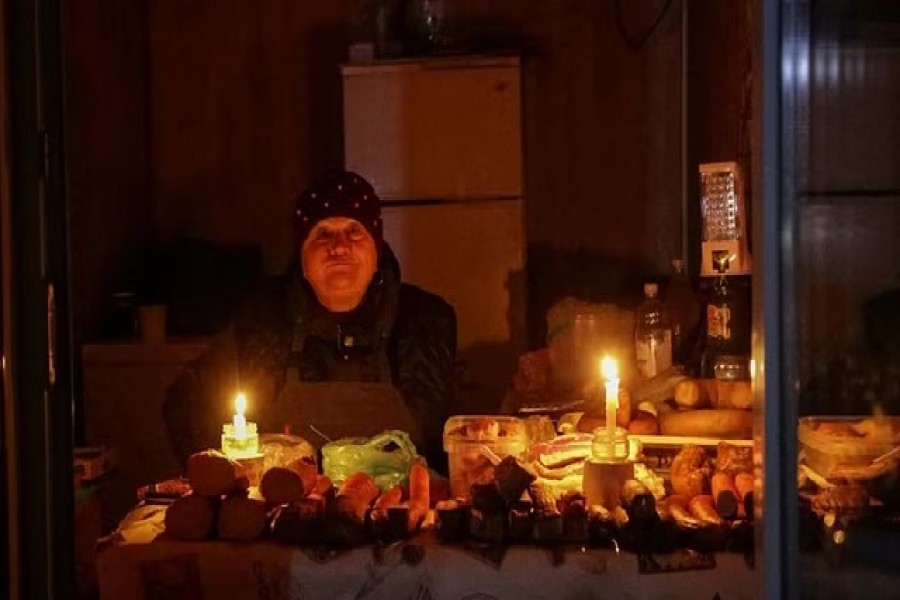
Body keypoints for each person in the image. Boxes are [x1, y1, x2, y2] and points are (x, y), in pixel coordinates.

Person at [163, 171, 456, 470]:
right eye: (323, 234)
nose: (339, 247)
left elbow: (455, 434)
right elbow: (185, 405)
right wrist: (221, 480)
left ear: (376, 250)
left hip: (402, 507)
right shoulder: (262, 319)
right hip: (284, 507)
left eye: (354, 231)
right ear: (302, 256)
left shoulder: (426, 322)